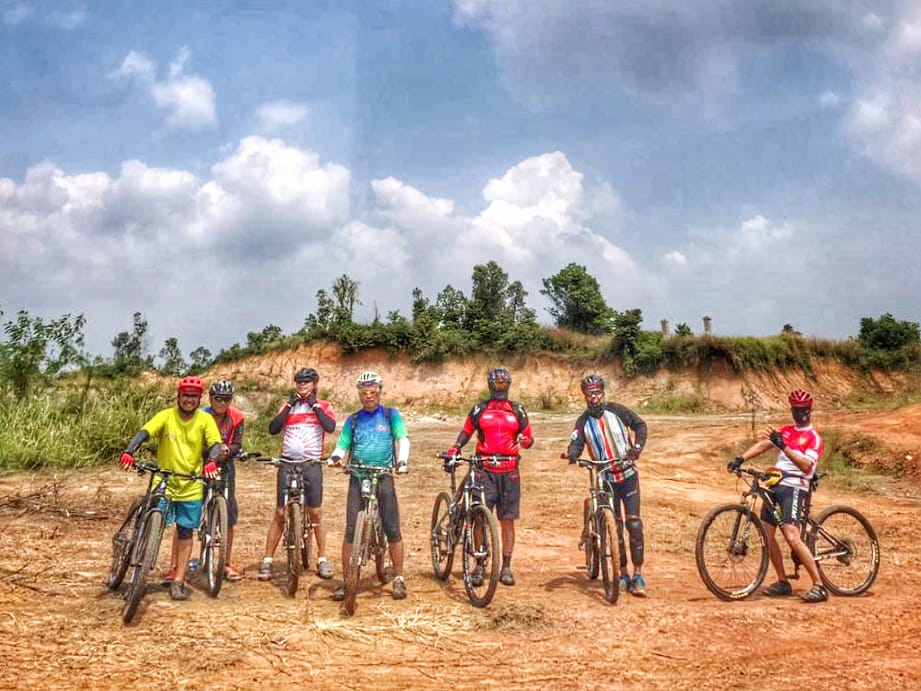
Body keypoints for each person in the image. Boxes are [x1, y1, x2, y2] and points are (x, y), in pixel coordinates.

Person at [118, 376, 223, 601]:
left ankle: (178, 580)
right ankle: (139, 572)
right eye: (185, 395)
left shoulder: (205, 420)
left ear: (199, 399)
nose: (189, 400)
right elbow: (144, 432)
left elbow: (215, 444)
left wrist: (212, 461)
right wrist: (129, 451)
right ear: (179, 396)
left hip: (191, 484)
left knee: (185, 532)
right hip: (163, 481)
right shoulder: (165, 416)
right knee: (150, 522)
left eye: (193, 397)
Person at [729, 388, 827, 603]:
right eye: (796, 410)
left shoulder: (813, 437)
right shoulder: (786, 430)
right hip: (775, 485)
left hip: (794, 486)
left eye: (803, 410)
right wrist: (740, 458)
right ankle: (783, 581)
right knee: (767, 534)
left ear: (809, 411)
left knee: (791, 536)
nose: (800, 414)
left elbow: (805, 466)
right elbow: (765, 444)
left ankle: (819, 586)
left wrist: (784, 445)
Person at [443, 366, 534, 587]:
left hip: (510, 470)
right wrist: (456, 447)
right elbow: (467, 431)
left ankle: (506, 566)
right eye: (496, 384)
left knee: (507, 520)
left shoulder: (518, 410)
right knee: (479, 517)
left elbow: (529, 438)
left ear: (509, 385)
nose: (499, 387)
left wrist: (525, 441)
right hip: (484, 469)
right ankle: (480, 564)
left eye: (503, 384)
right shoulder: (479, 409)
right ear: (490, 385)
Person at [564, 374, 648, 597]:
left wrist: (637, 448)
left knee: (634, 524)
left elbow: (640, 425)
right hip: (605, 477)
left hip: (628, 475)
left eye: (597, 393)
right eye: (589, 394)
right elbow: (576, 443)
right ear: (584, 397)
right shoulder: (582, 422)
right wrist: (572, 454)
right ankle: (622, 574)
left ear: (603, 393)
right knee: (616, 527)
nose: (594, 398)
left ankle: (638, 575)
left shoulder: (618, 410)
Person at [330, 371, 410, 602]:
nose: (368, 396)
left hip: (383, 475)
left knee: (392, 529)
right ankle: (347, 581)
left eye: (372, 392)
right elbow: (343, 443)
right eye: (364, 393)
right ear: (359, 395)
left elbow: (402, 438)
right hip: (357, 475)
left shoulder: (389, 415)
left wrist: (402, 461)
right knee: (350, 531)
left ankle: (399, 578)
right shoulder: (353, 419)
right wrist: (336, 456)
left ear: (379, 392)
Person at [258, 367, 337, 581]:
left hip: (311, 464)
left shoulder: (324, 406)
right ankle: (267, 561)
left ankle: (322, 559)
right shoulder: (288, 406)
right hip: (287, 463)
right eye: (299, 382)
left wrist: (314, 405)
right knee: (280, 513)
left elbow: (329, 427)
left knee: (315, 512)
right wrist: (290, 405)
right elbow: (273, 428)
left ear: (314, 384)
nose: (302, 385)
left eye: (307, 382)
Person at [202, 379, 246, 581]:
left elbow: (238, 444)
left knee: (229, 513)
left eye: (226, 399)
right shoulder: (200, 415)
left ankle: (226, 562)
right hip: (202, 463)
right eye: (218, 398)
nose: (221, 403)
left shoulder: (237, 417)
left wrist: (228, 450)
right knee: (189, 508)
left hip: (226, 465)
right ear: (211, 398)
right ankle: (176, 566)